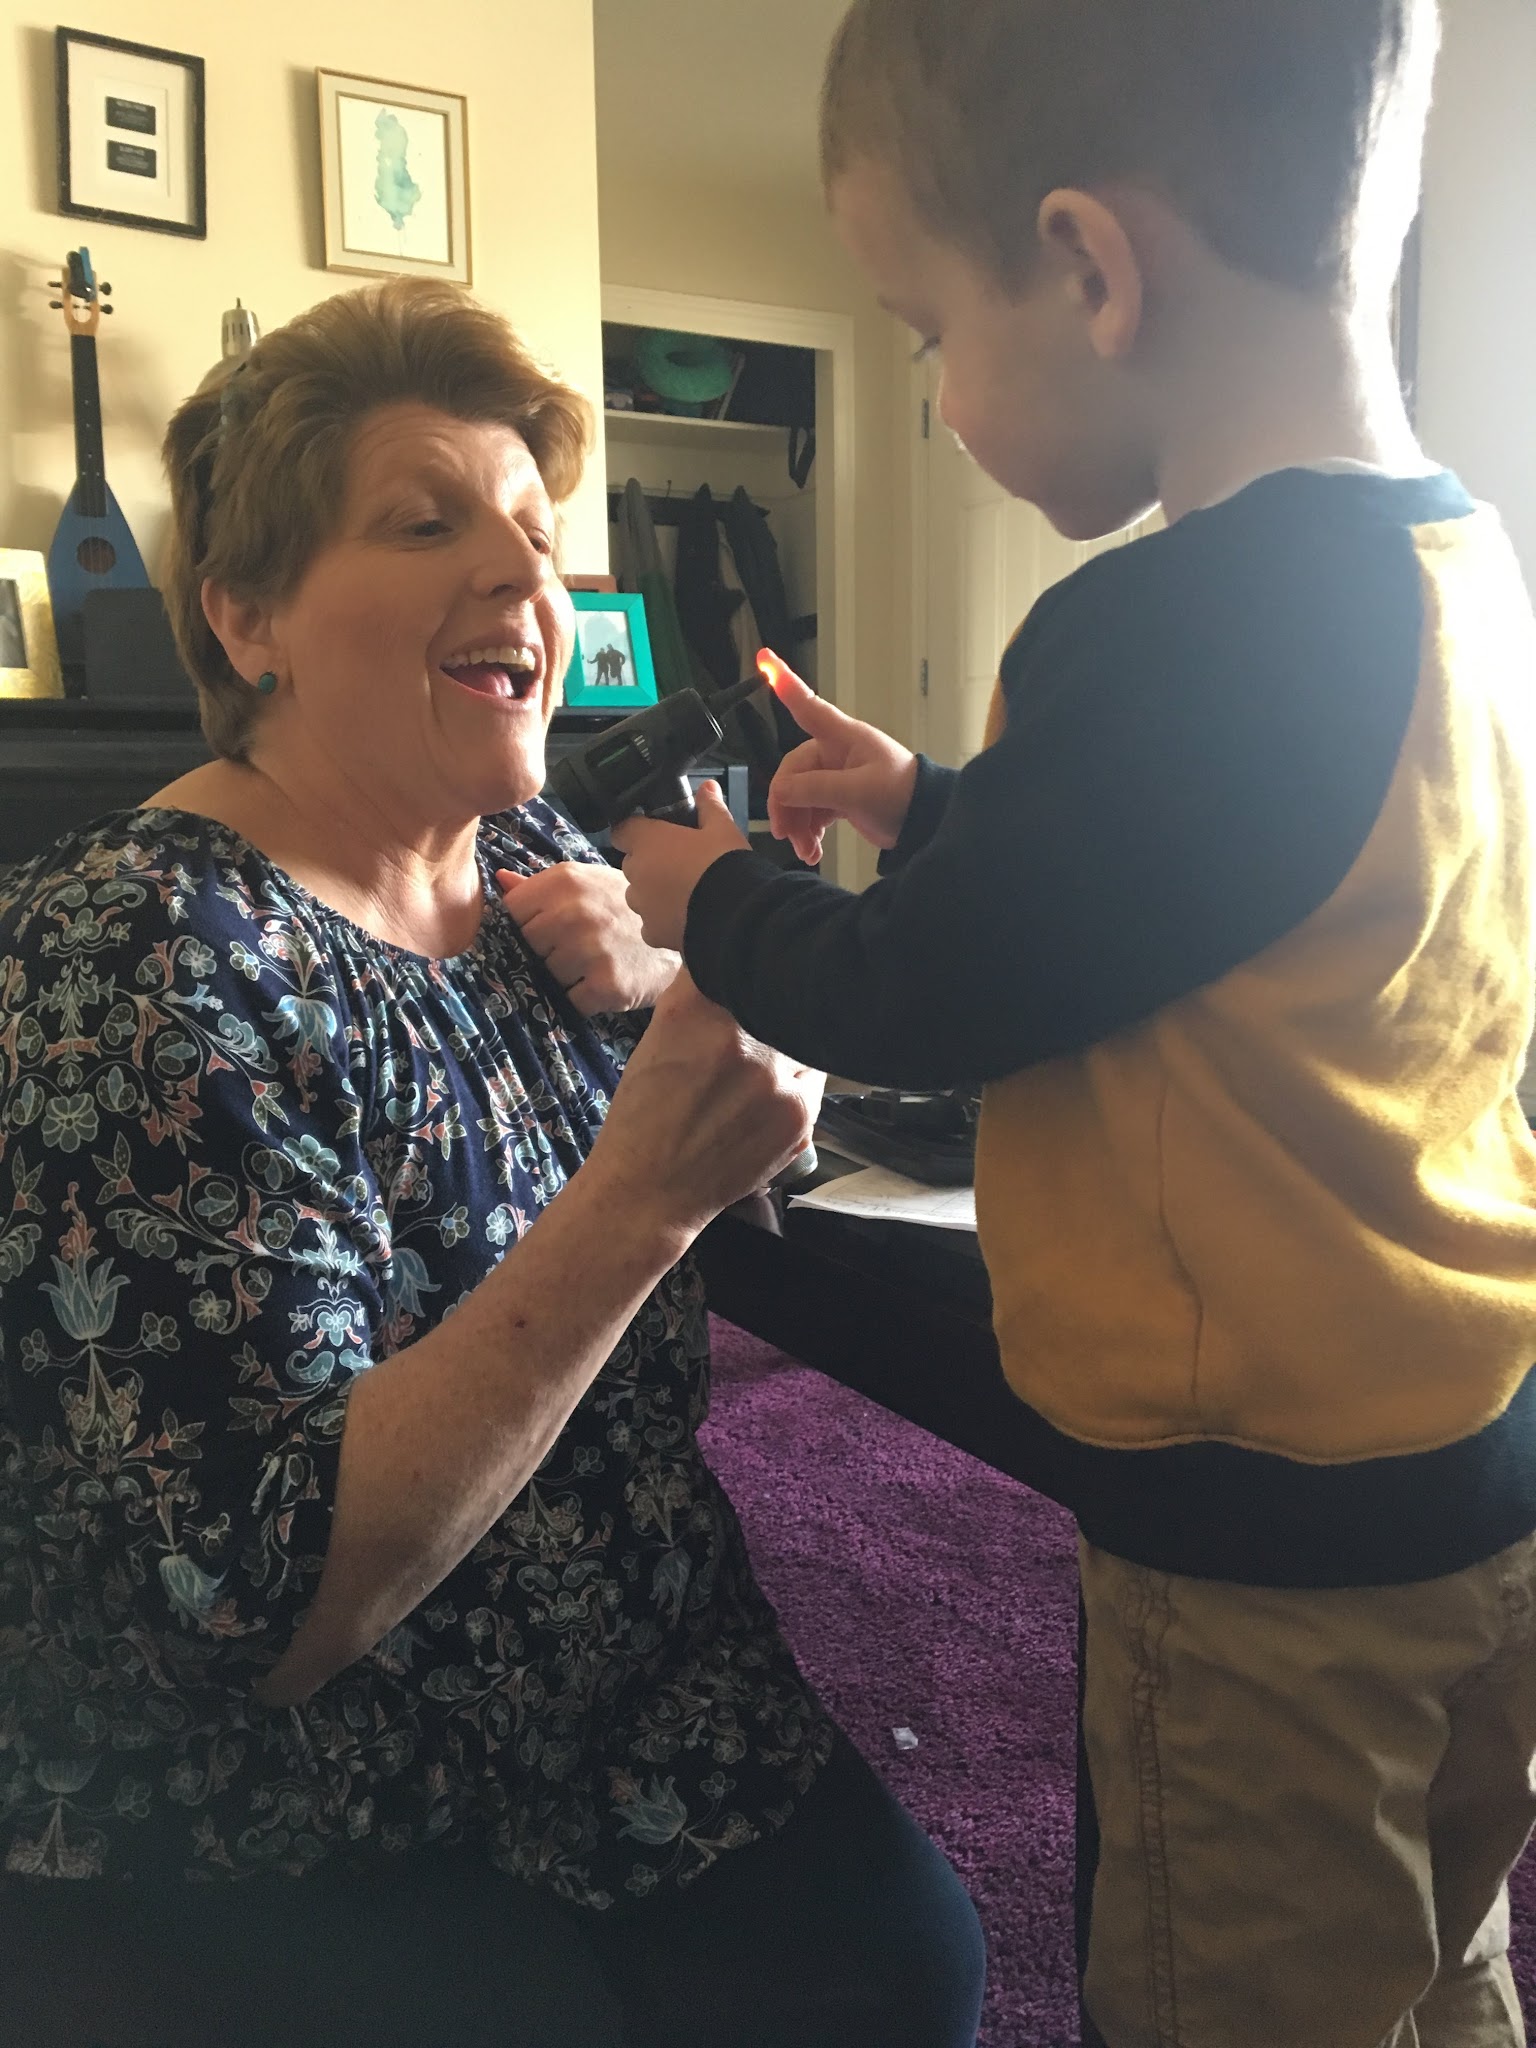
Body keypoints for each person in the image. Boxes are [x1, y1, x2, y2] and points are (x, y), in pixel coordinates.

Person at [612, 3, 1536, 2043]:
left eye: (929, 332)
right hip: (1461, 1449)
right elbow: (1214, 884)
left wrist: (714, 898)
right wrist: (938, 803)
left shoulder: (1164, 616)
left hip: (1262, 1510)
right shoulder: (1447, 558)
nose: (938, 400)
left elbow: (928, 996)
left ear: (1092, 269)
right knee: (1428, 1953)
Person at [0, 277, 986, 2048]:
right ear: (247, 617)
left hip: (642, 1679)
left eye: (536, 531)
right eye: (424, 522)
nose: (521, 576)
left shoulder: (532, 858)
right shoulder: (132, 957)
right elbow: (259, 1612)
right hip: (297, 1796)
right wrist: (641, 1198)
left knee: (911, 1973)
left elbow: (749, 1154)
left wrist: (689, 1000)